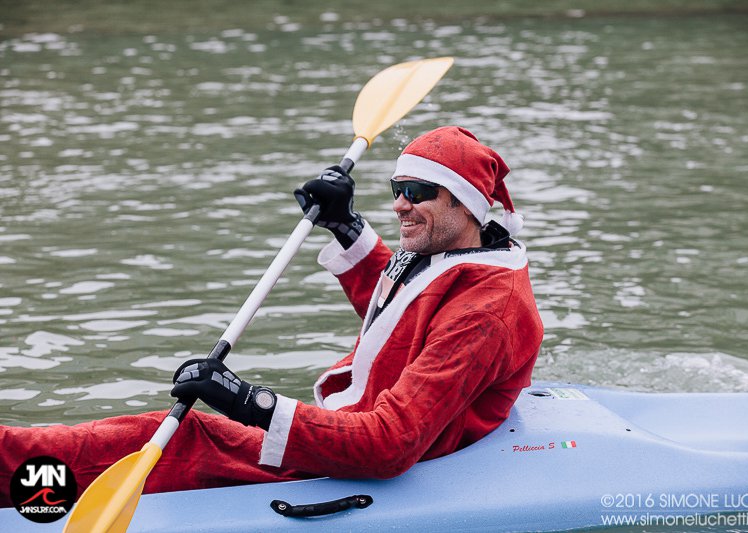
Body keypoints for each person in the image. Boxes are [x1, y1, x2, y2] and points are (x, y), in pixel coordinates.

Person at [0, 126, 543, 506]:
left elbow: (390, 445)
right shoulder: (455, 255)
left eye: (418, 192)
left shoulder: (487, 311)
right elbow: (401, 313)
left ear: (466, 204)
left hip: (383, 452)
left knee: (184, 438)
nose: (400, 204)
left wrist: (249, 402)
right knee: (177, 428)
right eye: (396, 189)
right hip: (371, 425)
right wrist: (346, 225)